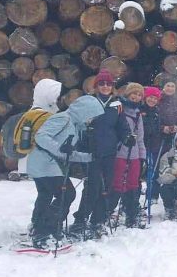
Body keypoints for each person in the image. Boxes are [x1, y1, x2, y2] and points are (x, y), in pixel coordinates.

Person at [26, 95, 104, 250]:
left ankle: (37, 226)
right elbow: (41, 137)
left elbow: (67, 153)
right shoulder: (63, 119)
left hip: (45, 164)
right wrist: (59, 148)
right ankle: (45, 232)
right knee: (67, 194)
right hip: (45, 164)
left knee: (46, 194)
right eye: (91, 115)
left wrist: (89, 157)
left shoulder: (73, 125)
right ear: (84, 111)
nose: (91, 120)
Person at [70, 70, 131, 239]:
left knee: (106, 187)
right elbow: (76, 123)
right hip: (90, 151)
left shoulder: (116, 104)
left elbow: (121, 126)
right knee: (93, 187)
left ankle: (97, 220)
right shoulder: (88, 102)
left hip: (109, 152)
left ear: (113, 87)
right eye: (102, 84)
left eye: (109, 84)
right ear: (96, 86)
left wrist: (127, 137)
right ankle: (80, 220)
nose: (105, 87)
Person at [12, 78, 62, 181]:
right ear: (46, 95)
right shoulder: (41, 115)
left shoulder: (34, 111)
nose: (57, 99)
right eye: (55, 95)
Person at [111, 83, 146, 228]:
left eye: (139, 95)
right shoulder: (119, 108)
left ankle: (131, 212)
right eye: (134, 93)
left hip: (134, 154)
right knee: (117, 183)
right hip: (120, 152)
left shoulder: (138, 113)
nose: (136, 97)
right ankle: (109, 211)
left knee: (133, 184)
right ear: (128, 94)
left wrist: (142, 156)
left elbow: (140, 137)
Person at [141, 86, 167, 203]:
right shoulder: (141, 111)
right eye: (150, 97)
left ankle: (152, 195)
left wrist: (163, 131)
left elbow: (158, 127)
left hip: (155, 145)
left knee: (154, 170)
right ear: (146, 97)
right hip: (142, 145)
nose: (152, 100)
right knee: (142, 170)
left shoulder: (157, 112)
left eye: (155, 99)